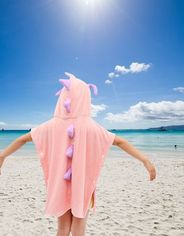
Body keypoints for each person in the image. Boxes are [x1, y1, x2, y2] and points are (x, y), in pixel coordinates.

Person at [0, 72, 156, 236]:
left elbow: (22, 140)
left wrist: (3, 155)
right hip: (83, 186)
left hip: (59, 185)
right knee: (79, 229)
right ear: (85, 99)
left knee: (62, 228)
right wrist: (144, 159)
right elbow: (120, 142)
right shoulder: (91, 126)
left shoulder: (50, 126)